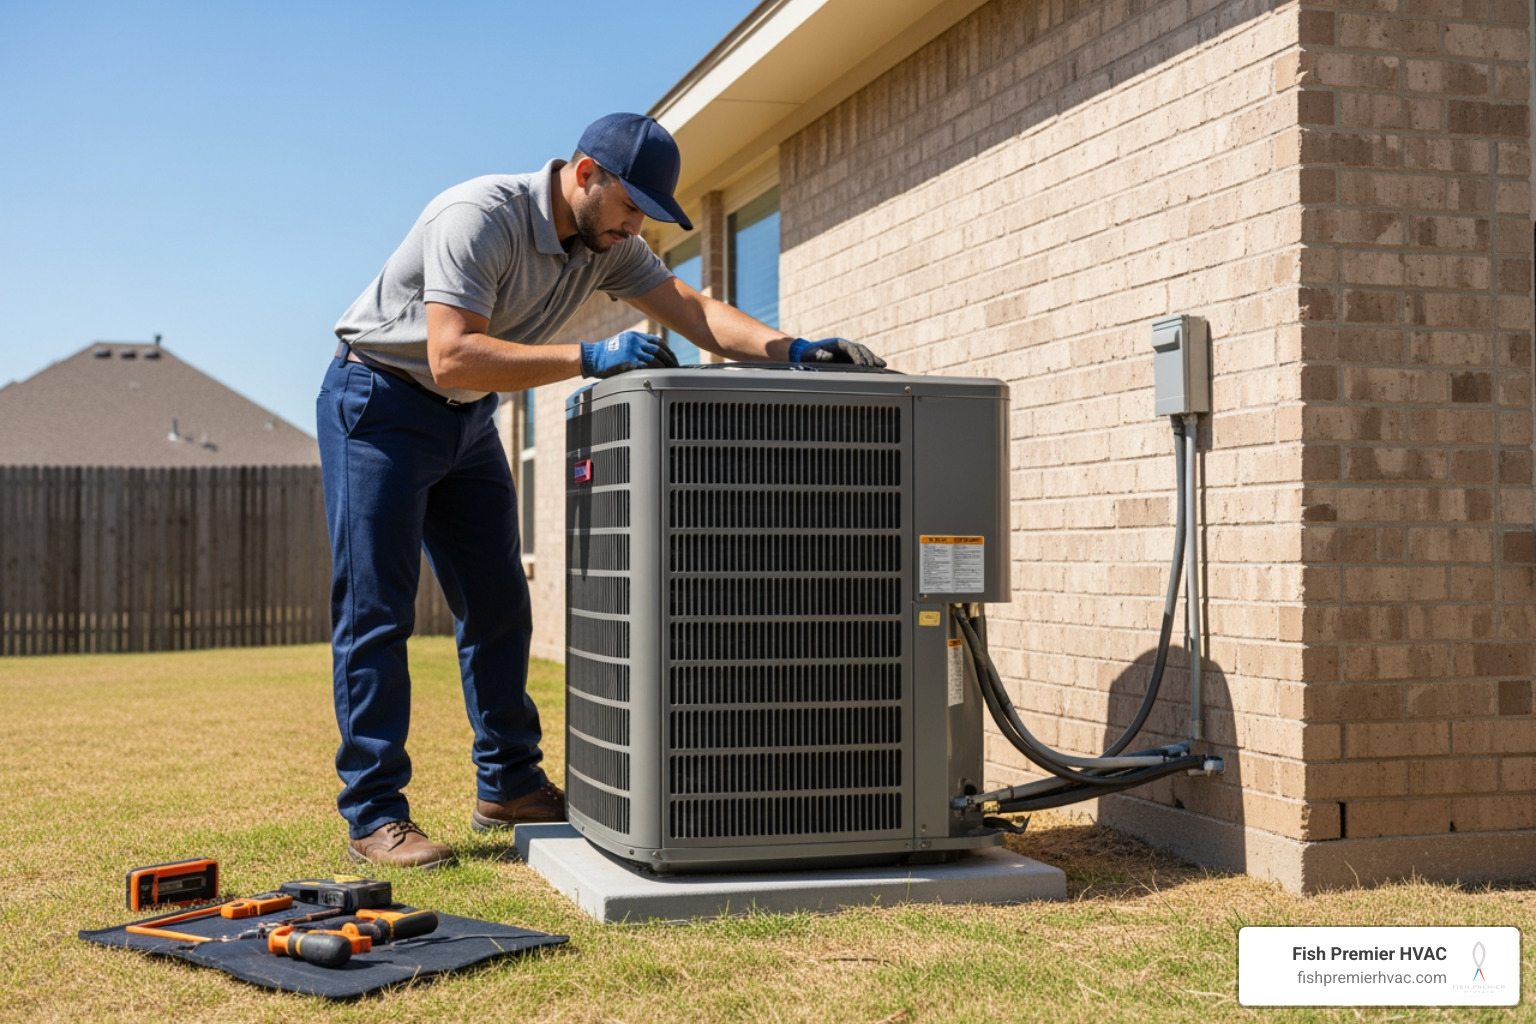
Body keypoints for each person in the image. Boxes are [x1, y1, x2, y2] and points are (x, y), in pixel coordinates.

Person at [317, 112, 885, 868]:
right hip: (380, 403)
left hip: (465, 422)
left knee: (498, 604)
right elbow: (450, 355)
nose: (636, 226)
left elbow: (696, 311)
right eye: (630, 207)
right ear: (586, 174)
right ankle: (375, 814)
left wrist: (797, 350)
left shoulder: (603, 245)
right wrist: (588, 356)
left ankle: (509, 784)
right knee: (376, 611)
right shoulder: (479, 217)